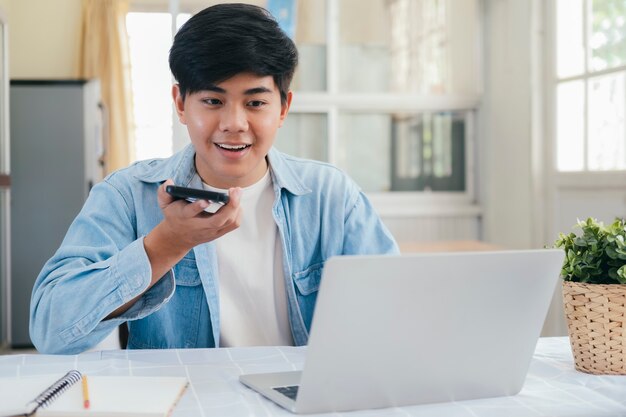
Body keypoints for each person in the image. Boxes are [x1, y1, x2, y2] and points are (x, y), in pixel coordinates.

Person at [30, 3, 399, 354]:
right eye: (212, 101)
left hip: (302, 397)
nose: (234, 124)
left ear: (283, 107)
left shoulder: (331, 196)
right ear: (180, 104)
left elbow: (397, 313)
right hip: (187, 399)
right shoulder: (127, 195)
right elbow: (51, 330)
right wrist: (165, 244)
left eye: (255, 103)